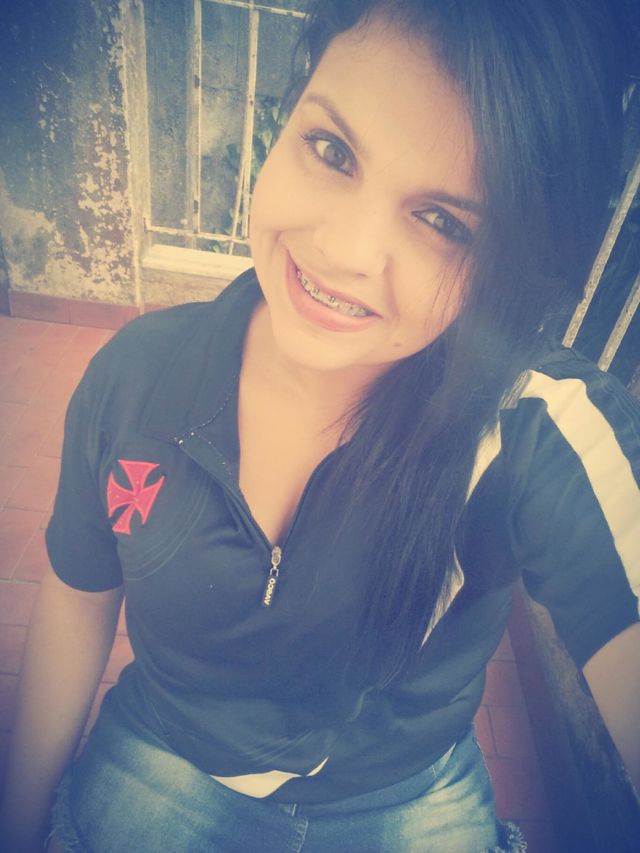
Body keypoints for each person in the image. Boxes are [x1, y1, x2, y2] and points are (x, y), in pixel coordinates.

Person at [1, 0, 639, 850]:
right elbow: (78, 603)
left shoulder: (526, 427)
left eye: (443, 221)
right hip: (167, 754)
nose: (344, 250)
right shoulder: (133, 379)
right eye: (333, 149)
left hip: (410, 793)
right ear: (289, 110)